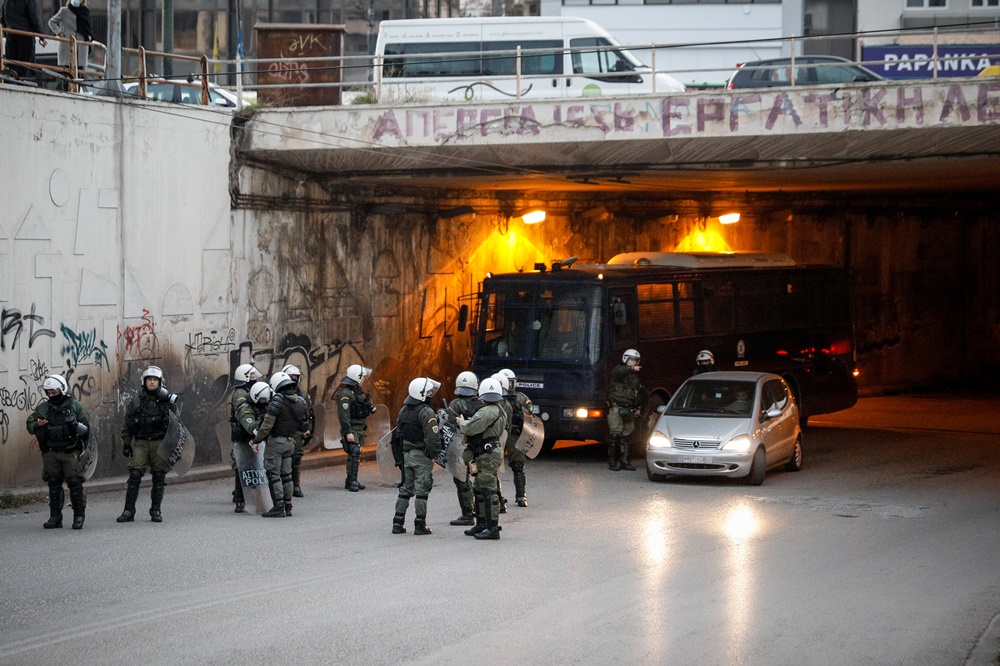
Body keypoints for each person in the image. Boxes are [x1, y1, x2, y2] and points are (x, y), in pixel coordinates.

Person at [25, 375, 90, 530]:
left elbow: (87, 429)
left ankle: (79, 515)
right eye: (49, 393)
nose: (52, 395)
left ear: (61, 389)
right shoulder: (43, 408)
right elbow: (29, 424)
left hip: (70, 452)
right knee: (53, 483)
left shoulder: (75, 406)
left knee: (74, 482)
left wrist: (85, 447)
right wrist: (37, 425)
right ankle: (55, 517)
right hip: (50, 452)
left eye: (54, 392)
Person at [117, 366, 178, 523]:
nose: (152, 382)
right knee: (135, 474)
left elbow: (176, 421)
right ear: (144, 382)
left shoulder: (165, 401)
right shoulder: (136, 401)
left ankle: (155, 510)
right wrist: (126, 443)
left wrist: (169, 401)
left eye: (155, 380)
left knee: (159, 476)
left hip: (159, 443)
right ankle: (129, 511)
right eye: (149, 380)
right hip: (142, 443)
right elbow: (127, 424)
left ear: (160, 382)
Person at [252, 371, 310, 518]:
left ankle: (278, 507)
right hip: (290, 442)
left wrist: (257, 440)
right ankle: (288, 506)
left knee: (274, 475)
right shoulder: (300, 401)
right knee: (287, 476)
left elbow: (267, 424)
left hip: (276, 443)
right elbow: (304, 425)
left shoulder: (278, 400)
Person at [457, 377, 508, 540]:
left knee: (487, 490)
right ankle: (482, 524)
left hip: (487, 454)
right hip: (488, 452)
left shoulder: (487, 411)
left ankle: (492, 528)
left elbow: (470, 429)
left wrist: (461, 423)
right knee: (479, 488)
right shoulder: (500, 409)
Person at [392, 377, 442, 535]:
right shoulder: (426, 412)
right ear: (421, 394)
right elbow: (432, 438)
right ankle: (420, 524)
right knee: (422, 491)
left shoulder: (404, 410)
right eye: (427, 392)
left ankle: (397, 523)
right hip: (422, 457)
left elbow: (397, 435)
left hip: (407, 456)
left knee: (405, 490)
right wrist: (434, 455)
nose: (430, 395)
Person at [443, 370, 480, 526]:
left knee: (462, 480)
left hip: (461, 446)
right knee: (481, 479)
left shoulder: (455, 404)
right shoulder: (482, 403)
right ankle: (481, 511)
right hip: (479, 445)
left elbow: (448, 425)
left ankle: (467, 514)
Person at [334, 364, 377, 492]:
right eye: (362, 377)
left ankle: (352, 479)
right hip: (352, 428)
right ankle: (352, 480)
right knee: (354, 452)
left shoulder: (357, 391)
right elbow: (344, 415)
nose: (363, 379)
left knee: (356, 454)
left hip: (359, 428)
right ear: (356, 377)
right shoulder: (345, 394)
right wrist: (348, 431)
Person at [228, 363, 261, 513]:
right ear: (245, 378)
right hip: (243, 435)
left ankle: (255, 496)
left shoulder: (252, 390)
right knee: (241, 467)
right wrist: (252, 426)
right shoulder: (240, 393)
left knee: (256, 465)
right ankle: (240, 499)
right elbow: (243, 411)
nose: (255, 379)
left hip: (254, 433)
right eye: (252, 376)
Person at [607, 349, 645, 472]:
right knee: (615, 434)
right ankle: (612, 462)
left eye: (636, 360)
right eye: (632, 360)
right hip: (617, 407)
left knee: (627, 435)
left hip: (629, 408)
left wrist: (638, 407)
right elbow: (619, 373)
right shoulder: (618, 371)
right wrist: (632, 369)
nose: (634, 363)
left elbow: (638, 392)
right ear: (626, 359)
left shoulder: (634, 377)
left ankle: (625, 460)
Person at [499, 368, 532, 507]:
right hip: (499, 434)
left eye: (511, 382)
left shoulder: (522, 398)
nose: (509, 386)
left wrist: (522, 418)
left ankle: (520, 495)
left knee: (518, 465)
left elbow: (531, 420)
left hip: (514, 434)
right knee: (493, 466)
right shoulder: (495, 398)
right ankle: (497, 497)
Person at [281, 364, 313, 498]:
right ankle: (281, 485)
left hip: (298, 430)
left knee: (296, 459)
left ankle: (296, 485)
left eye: (296, 377)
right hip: (283, 430)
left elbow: (309, 414)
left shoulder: (303, 395)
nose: (293, 380)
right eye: (291, 377)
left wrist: (307, 429)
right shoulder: (278, 393)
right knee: (281, 459)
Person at [1, 0, 46, 79]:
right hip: (25, 35)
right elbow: (35, 19)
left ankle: (11, 80)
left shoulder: (6, 1)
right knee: (25, 66)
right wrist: (42, 37)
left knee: (11, 64)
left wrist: (6, 33)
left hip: (11, 34)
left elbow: (2, 19)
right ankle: (21, 82)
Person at [47, 0, 92, 73]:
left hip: (81, 46)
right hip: (67, 45)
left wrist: (88, 38)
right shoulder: (64, 11)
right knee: (67, 74)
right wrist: (60, 33)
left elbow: (88, 29)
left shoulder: (85, 12)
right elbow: (52, 22)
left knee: (79, 74)